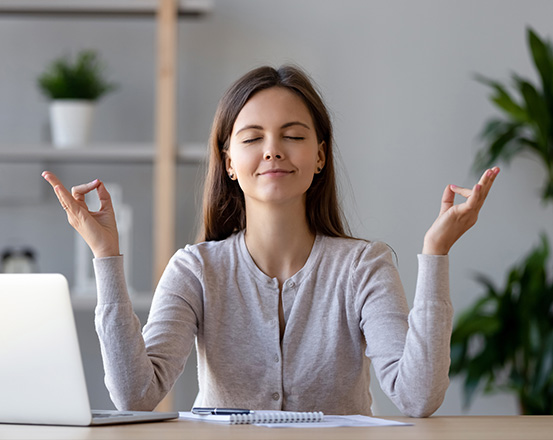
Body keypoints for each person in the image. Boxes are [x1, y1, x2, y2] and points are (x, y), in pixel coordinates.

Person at [42, 65, 499, 418]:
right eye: (252, 138)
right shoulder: (196, 269)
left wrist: (436, 253)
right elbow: (136, 396)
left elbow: (417, 397)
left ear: (319, 156)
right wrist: (106, 255)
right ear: (228, 163)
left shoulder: (364, 266)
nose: (272, 150)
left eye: (293, 136)